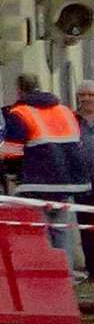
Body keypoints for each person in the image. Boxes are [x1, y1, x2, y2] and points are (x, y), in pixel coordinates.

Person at [4, 73, 90, 261]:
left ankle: (46, 275)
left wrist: (12, 173)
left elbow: (12, 152)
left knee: (40, 236)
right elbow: (77, 144)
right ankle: (66, 274)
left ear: (19, 90)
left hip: (35, 183)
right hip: (66, 183)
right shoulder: (64, 111)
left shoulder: (19, 112)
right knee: (62, 233)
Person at [74, 80, 94, 276]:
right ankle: (92, 269)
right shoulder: (71, 120)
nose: (86, 98)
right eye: (82, 95)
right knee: (86, 228)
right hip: (82, 183)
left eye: (91, 95)